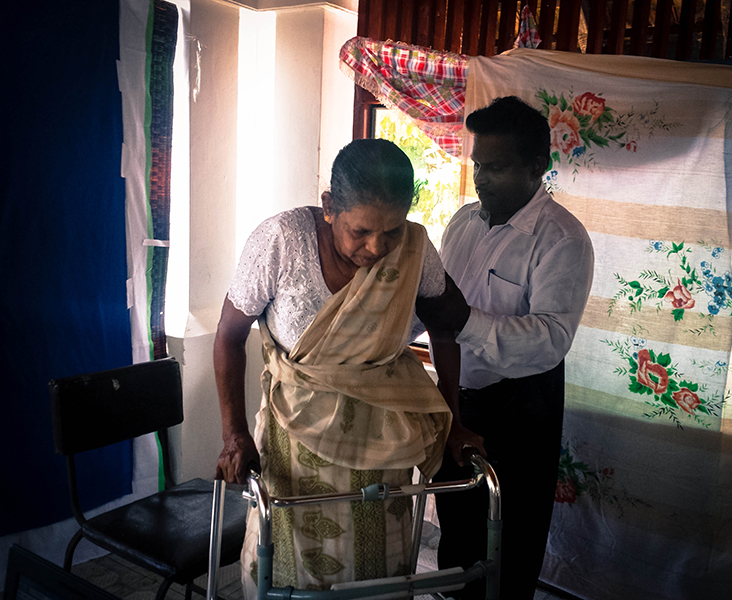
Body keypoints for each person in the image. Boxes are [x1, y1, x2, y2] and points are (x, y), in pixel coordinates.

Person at [213, 138, 483, 595]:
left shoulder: (415, 249)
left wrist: (454, 421)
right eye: (360, 231)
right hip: (294, 445)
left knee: (377, 571)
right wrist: (234, 433)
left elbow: (445, 328)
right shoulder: (281, 240)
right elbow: (228, 336)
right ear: (329, 207)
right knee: (289, 569)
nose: (377, 247)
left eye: (391, 231)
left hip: (382, 446)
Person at [417, 96, 594, 598]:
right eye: (477, 165)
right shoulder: (462, 222)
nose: (480, 178)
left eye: (495, 168)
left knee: (507, 544)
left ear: (537, 166)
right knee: (458, 531)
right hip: (455, 399)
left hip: (520, 406)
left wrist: (466, 322)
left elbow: (550, 340)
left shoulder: (562, 239)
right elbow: (432, 307)